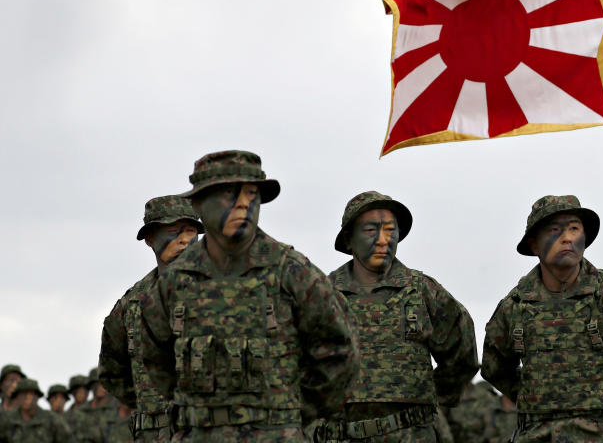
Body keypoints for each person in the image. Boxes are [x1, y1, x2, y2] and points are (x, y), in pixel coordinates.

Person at [140, 150, 359, 442]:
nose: (243, 203)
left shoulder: (291, 271)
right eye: (230, 194)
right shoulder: (175, 282)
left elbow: (340, 351)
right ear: (199, 203)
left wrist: (292, 415)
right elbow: (155, 356)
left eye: (252, 194)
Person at [482, 195, 603, 442]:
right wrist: (535, 396)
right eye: (555, 230)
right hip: (538, 433)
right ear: (534, 245)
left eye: (574, 229)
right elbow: (493, 366)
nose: (567, 238)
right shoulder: (515, 306)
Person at [318, 191, 478, 442]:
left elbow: (462, 353)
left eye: (391, 231)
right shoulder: (322, 295)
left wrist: (426, 398)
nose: (383, 240)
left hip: (411, 435)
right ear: (349, 239)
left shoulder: (423, 291)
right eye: (371, 230)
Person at [100, 194, 202, 442]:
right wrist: (152, 404)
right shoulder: (131, 305)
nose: (185, 240)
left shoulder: (228, 293)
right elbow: (113, 371)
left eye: (191, 231)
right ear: (149, 238)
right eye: (174, 230)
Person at [0, 378, 73, 443]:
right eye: (23, 394)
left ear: (37, 397)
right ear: (17, 397)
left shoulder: (53, 420)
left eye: (31, 394)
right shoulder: (7, 420)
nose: (28, 398)